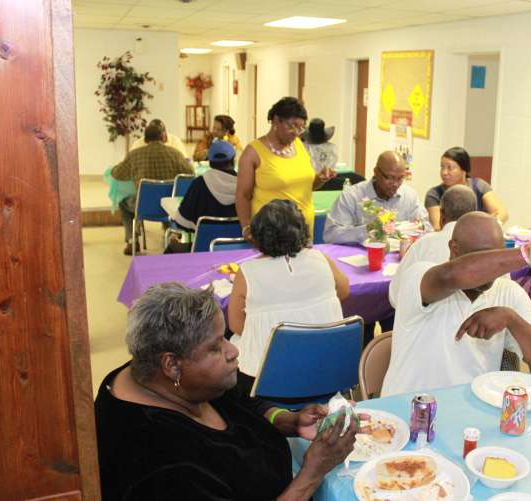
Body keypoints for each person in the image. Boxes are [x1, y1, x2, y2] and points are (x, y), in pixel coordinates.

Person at [95, 283, 362, 500]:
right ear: (172, 365)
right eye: (215, 347)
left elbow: (242, 400)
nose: (233, 350)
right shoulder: (157, 464)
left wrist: (287, 420)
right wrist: (312, 474)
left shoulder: (156, 374)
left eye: (225, 337)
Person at [380, 211, 531, 397]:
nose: (494, 267)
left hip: (471, 414)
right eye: (484, 257)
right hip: (407, 409)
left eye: (498, 255)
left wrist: (511, 319)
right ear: (454, 248)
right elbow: (453, 275)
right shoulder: (420, 276)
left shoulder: (508, 292)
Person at [227, 200, 349, 396]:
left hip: (269, 379)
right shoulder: (320, 258)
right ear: (302, 230)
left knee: (234, 343)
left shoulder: (248, 271)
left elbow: (235, 324)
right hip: (326, 369)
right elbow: (344, 290)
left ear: (257, 235)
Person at [235, 97, 334, 238]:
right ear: (276, 120)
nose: (296, 132)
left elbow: (307, 185)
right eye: (292, 126)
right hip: (271, 233)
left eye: (301, 128)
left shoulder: (299, 146)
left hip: (304, 231)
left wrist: (320, 179)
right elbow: (243, 195)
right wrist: (246, 228)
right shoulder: (253, 152)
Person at [111, 120, 193, 255]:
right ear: (162, 137)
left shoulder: (135, 155)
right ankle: (173, 235)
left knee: (124, 204)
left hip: (143, 205)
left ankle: (132, 240)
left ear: (145, 139)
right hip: (169, 205)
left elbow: (118, 174)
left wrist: (115, 168)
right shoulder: (175, 154)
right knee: (174, 200)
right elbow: (189, 173)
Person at [388, 185, 478, 307]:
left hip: (424, 318)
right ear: (474, 214)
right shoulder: (485, 248)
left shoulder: (422, 245)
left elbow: (395, 296)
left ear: (441, 215)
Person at [323, 151, 431, 245]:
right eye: (389, 177)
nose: (395, 184)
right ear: (376, 172)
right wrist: (366, 231)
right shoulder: (351, 196)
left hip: (399, 257)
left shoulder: (409, 196)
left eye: (400, 178)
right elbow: (331, 235)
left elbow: (428, 228)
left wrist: (406, 228)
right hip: (360, 257)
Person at [425, 147, 508, 231]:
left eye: (450, 168)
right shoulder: (434, 194)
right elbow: (438, 227)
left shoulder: (479, 186)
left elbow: (502, 213)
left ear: (464, 170)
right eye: (442, 167)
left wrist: (493, 224)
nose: (444, 172)